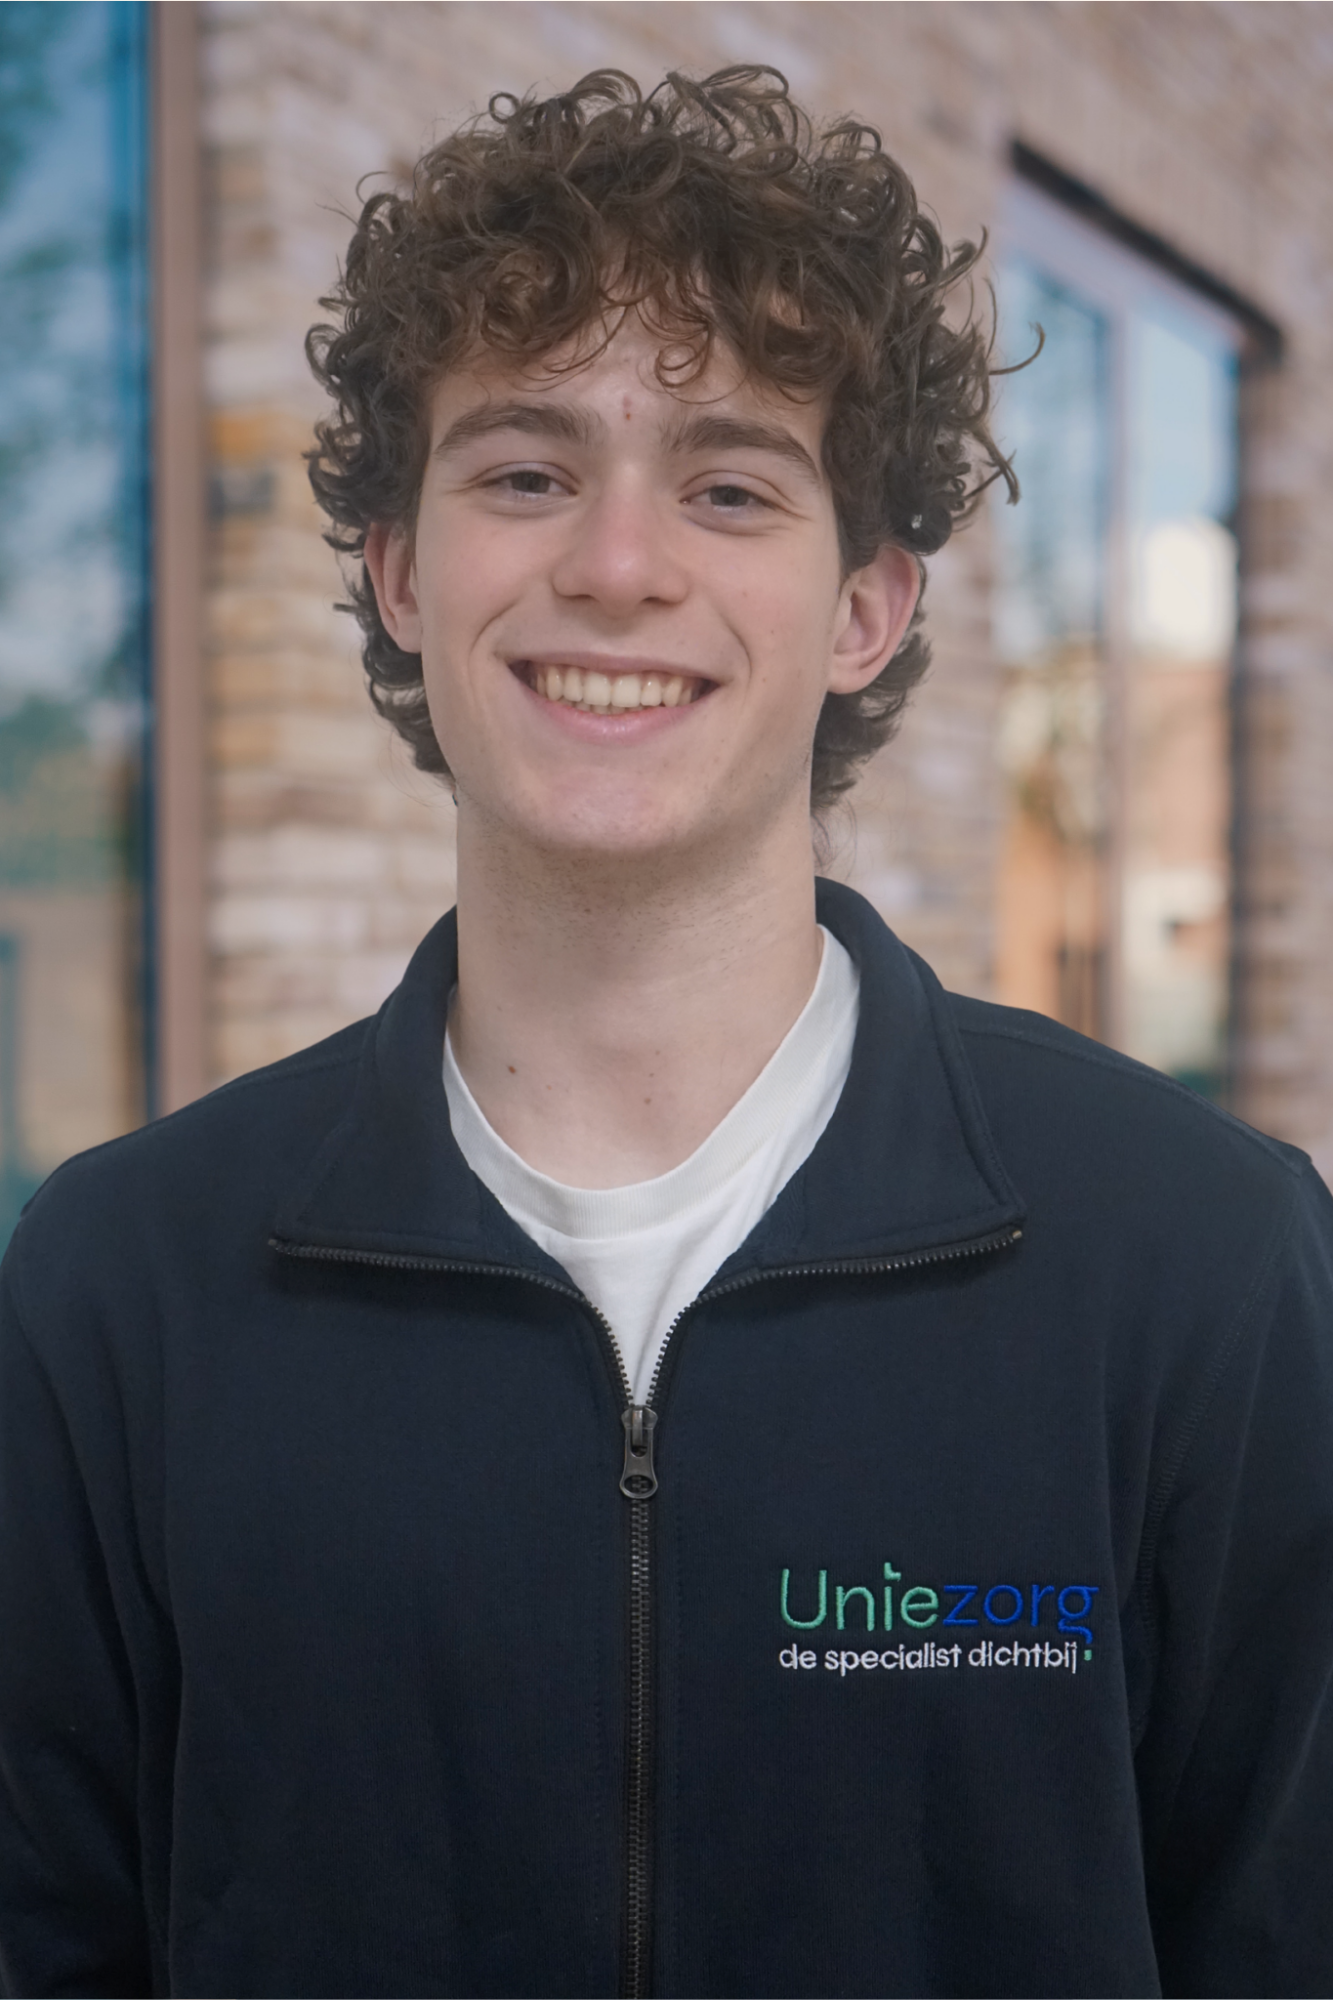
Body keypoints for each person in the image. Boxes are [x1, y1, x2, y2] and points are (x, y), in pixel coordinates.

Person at [1, 65, 1330, 2000]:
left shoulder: (1201, 1268)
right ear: (399, 571)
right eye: (525, 473)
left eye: (728, 486)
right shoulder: (120, 1293)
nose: (618, 564)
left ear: (867, 607)